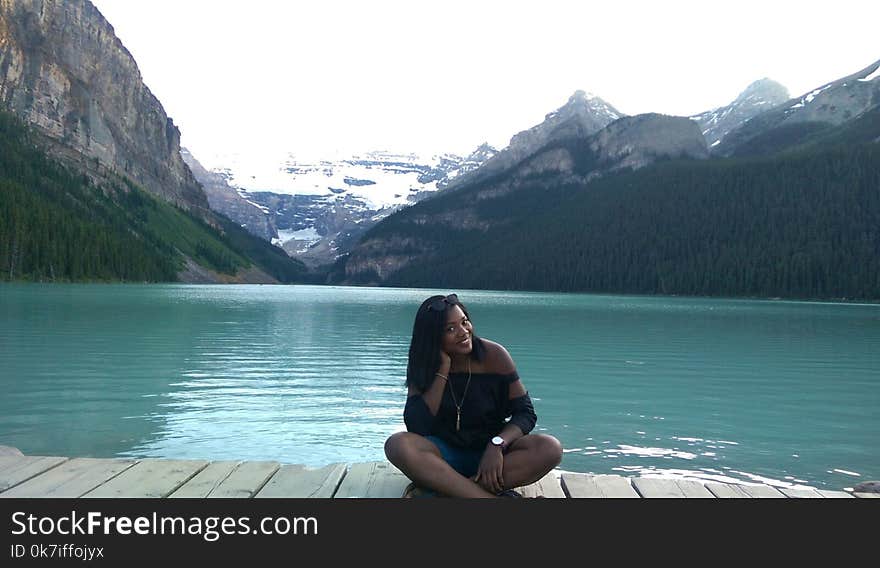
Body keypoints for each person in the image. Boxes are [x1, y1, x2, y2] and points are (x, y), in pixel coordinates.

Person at [384, 293, 563, 497]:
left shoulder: (494, 356)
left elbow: (525, 413)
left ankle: (452, 491)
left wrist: (497, 444)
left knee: (549, 448)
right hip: (443, 459)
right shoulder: (423, 362)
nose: (463, 332)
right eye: (450, 329)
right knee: (397, 445)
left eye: (464, 322)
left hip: (493, 456)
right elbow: (417, 427)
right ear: (432, 336)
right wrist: (442, 368)